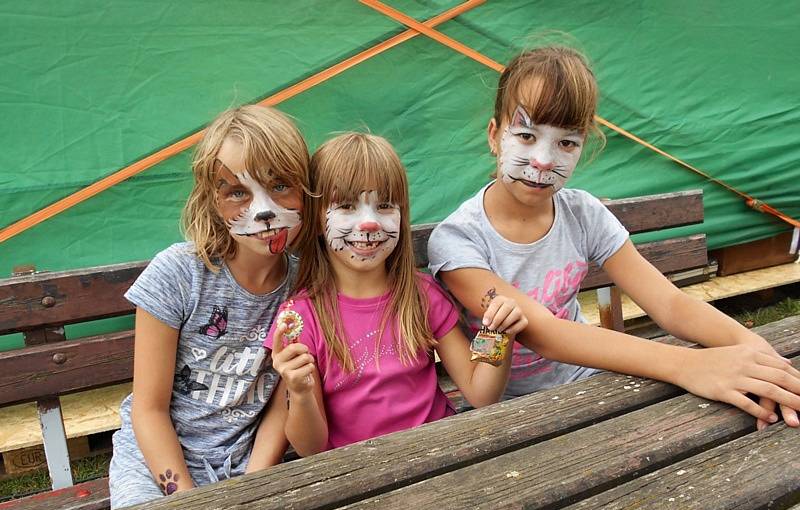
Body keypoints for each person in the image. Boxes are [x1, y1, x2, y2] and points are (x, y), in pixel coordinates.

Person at [427, 46, 800, 430]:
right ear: (494, 135)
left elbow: (669, 303)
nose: (543, 161)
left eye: (566, 143)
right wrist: (690, 364)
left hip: (593, 384)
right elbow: (545, 333)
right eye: (525, 135)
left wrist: (757, 354)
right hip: (513, 416)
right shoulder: (458, 240)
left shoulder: (583, 213)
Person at [262, 132, 526, 456]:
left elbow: (480, 393)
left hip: (440, 456)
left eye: (385, 205)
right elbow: (310, 448)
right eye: (346, 206)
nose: (370, 223)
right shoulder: (300, 319)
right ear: (317, 220)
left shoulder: (421, 294)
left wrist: (497, 335)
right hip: (360, 474)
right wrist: (300, 393)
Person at [109, 105, 309, 508]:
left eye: (280, 186)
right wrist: (185, 501)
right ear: (213, 202)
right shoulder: (178, 274)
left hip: (248, 458)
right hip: (158, 460)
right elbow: (148, 410)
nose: (263, 211)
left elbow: (281, 398)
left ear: (306, 189)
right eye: (238, 192)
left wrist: (255, 482)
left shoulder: (304, 283)